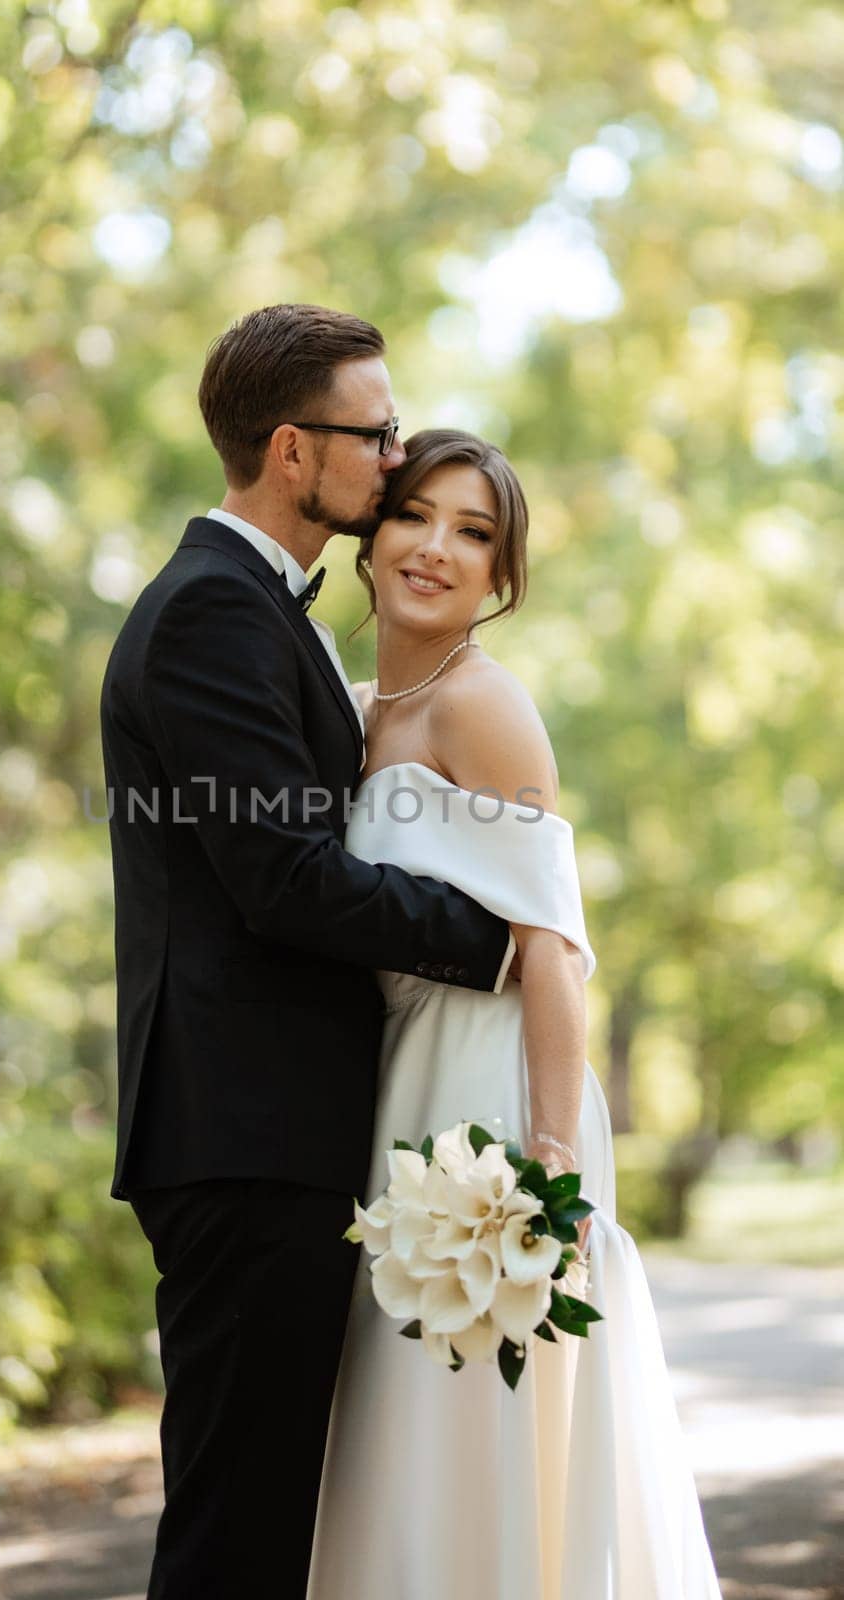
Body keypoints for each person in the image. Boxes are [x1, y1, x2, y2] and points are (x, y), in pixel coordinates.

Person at [99, 308, 521, 1600]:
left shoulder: (261, 611)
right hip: (243, 1135)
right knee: (239, 1528)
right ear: (292, 451)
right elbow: (282, 880)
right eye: (373, 432)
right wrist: (497, 939)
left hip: (278, 1130)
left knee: (275, 1513)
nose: (395, 458)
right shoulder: (210, 617)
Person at [307, 429, 722, 1599]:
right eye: (415, 516)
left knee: (472, 1419)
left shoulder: (484, 708)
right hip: (399, 1087)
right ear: (371, 535)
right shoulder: (351, 707)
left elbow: (553, 948)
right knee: (396, 1421)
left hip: (489, 1105)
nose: (437, 547)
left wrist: (546, 1171)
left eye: (474, 533)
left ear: (501, 578)